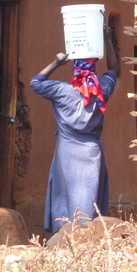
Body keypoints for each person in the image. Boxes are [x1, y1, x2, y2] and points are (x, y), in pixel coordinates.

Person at [30, 25, 119, 233]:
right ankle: (87, 236)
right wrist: (107, 39)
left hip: (66, 152)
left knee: (65, 194)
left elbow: (36, 83)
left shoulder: (61, 91)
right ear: (94, 71)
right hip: (92, 152)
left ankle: (63, 235)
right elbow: (114, 70)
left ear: (74, 71)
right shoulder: (102, 90)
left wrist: (56, 62)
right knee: (89, 194)